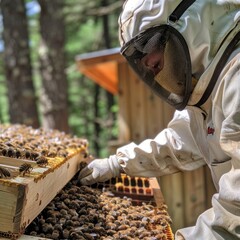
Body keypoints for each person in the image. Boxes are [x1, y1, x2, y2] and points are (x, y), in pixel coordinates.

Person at [78, 0, 240, 239]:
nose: (151, 68)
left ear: (187, 19)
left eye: (150, 47)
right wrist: (118, 163)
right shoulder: (210, 89)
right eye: (142, 61)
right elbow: (179, 141)